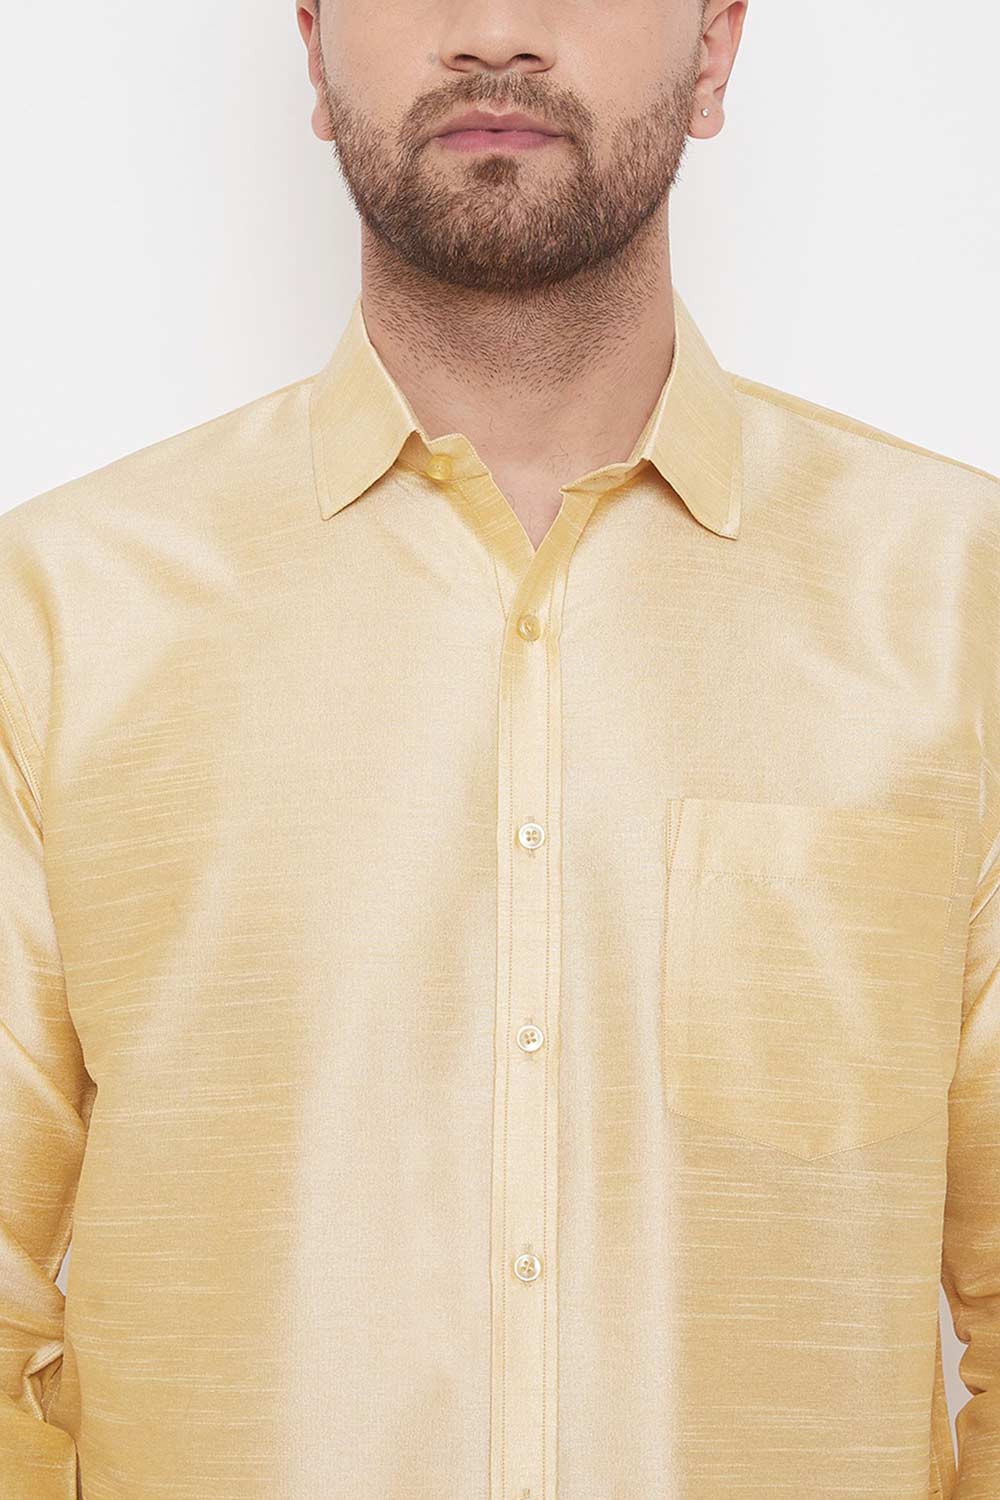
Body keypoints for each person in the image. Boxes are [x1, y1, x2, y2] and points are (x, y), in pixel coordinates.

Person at [2, 0, 997, 1495]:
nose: (494, 30)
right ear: (314, 50)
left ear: (716, 50)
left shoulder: (958, 606)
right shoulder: (62, 617)